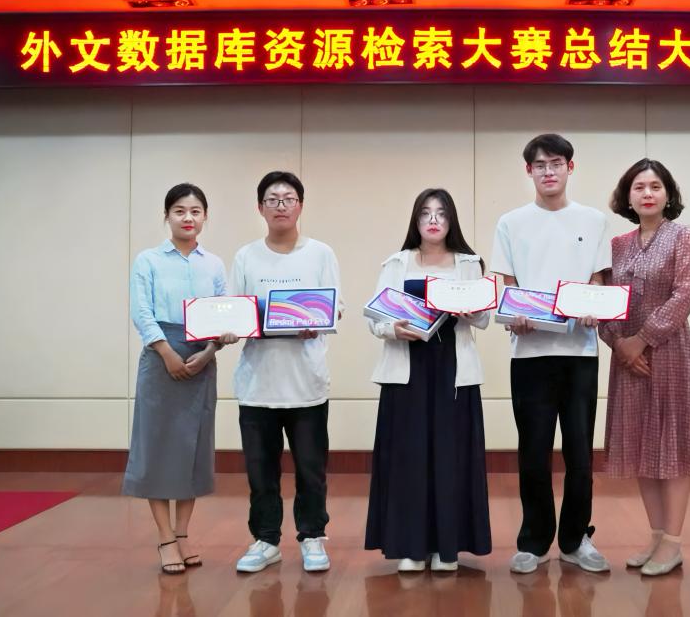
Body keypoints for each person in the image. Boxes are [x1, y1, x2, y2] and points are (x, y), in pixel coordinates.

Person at [490, 133, 613, 574]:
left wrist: (593, 305)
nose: (548, 171)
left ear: (570, 167)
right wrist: (515, 314)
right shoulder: (511, 222)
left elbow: (599, 280)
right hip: (529, 354)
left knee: (580, 453)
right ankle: (533, 541)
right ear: (529, 171)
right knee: (533, 452)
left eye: (556, 163)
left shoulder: (594, 220)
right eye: (539, 165)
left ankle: (577, 540)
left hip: (580, 353)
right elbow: (507, 285)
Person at [364, 188, 492, 572]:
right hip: (408, 367)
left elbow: (484, 318)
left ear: (451, 220)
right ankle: (410, 546)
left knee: (451, 456)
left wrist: (469, 311)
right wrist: (391, 329)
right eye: (425, 213)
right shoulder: (397, 263)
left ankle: (446, 549)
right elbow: (375, 317)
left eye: (441, 213)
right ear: (415, 220)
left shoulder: (469, 263)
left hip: (453, 368)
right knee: (408, 456)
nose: (433, 220)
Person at [226, 171, 343, 574]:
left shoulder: (321, 254)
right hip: (257, 384)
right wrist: (231, 326)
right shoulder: (246, 256)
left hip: (306, 383)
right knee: (261, 472)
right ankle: (265, 539)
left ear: (300, 206)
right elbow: (236, 310)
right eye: (273, 199)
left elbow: (335, 308)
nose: (281, 205)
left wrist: (318, 320)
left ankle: (312, 537)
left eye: (288, 198)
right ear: (260, 208)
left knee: (311, 469)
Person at [599, 158, 690, 576]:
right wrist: (619, 343)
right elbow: (603, 299)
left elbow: (685, 294)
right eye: (639, 187)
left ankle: (674, 543)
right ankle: (657, 535)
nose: (647, 193)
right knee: (640, 444)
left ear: (668, 194)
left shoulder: (684, 237)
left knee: (672, 446)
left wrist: (642, 339)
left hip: (669, 353)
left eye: (656, 186)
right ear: (627, 197)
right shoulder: (617, 245)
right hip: (628, 359)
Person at [124, 183, 228, 574]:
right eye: (180, 211)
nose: (188, 218)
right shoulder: (148, 260)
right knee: (158, 448)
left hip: (203, 359)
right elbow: (142, 312)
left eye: (195, 211)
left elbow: (223, 315)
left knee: (193, 449)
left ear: (205, 217)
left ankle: (183, 535)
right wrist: (167, 353)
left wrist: (212, 350)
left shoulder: (213, 264)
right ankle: (165, 538)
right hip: (159, 358)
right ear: (166, 216)